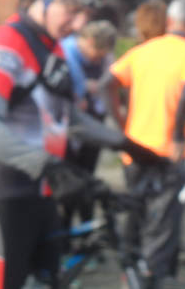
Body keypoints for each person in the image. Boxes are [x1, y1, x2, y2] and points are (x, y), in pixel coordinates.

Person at [0, 0, 112, 288]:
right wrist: (48, 165)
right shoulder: (6, 43)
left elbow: (67, 118)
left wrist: (127, 145)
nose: (80, 23)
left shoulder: (50, 46)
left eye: (88, 13)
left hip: (41, 195)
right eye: (72, 7)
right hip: (4, 195)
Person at [104, 0, 185, 286]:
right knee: (163, 224)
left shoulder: (143, 51)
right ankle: (154, 276)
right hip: (168, 154)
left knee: (136, 213)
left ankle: (131, 271)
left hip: (134, 149)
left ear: (171, 21)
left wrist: (121, 125)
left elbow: (107, 83)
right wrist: (177, 136)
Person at [60, 20, 117, 224]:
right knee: (69, 176)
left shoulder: (103, 58)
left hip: (93, 121)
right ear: (90, 42)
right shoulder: (66, 51)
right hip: (69, 127)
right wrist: (85, 86)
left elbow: (108, 78)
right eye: (98, 54)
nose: (98, 59)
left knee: (88, 173)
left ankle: (87, 222)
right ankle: (65, 225)